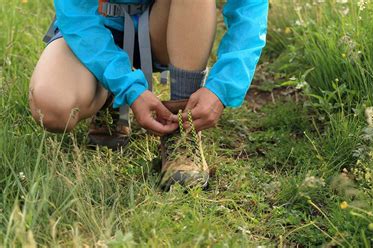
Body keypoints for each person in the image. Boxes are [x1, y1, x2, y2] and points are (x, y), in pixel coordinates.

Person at [28, 0, 268, 189]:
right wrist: (129, 88)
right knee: (52, 108)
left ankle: (182, 128)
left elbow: (249, 7)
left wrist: (222, 87)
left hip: (165, 24)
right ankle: (110, 95)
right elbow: (76, 14)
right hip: (94, 24)